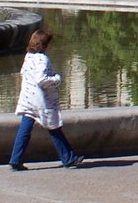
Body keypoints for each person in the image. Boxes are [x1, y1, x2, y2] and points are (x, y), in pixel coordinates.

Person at [8, 29, 83, 170]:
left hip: (28, 98)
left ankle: (15, 160)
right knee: (54, 127)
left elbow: (23, 72)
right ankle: (69, 159)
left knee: (25, 129)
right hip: (41, 100)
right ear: (45, 45)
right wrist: (56, 79)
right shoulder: (42, 59)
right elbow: (41, 79)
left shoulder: (29, 56)